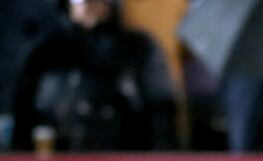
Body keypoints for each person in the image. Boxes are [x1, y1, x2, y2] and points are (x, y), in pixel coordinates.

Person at [12, 0, 176, 152]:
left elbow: (161, 116)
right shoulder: (46, 53)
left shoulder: (138, 49)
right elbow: (23, 115)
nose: (86, 7)